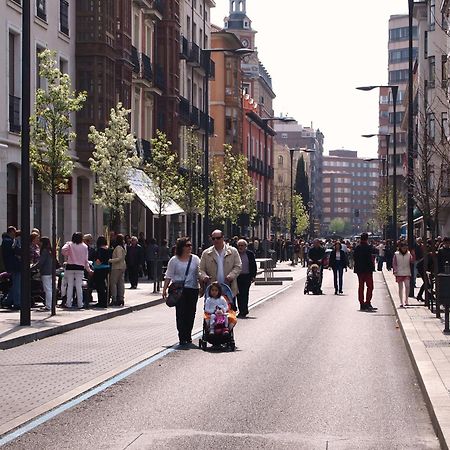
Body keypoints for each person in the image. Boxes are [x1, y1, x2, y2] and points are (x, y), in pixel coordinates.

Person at [162, 237, 200, 345]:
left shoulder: (195, 259)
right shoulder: (174, 260)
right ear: (181, 247)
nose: (190, 247)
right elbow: (168, 275)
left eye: (190, 245)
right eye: (187, 245)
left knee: (191, 313)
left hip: (192, 289)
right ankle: (182, 336)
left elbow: (200, 272)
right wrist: (164, 289)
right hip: (178, 290)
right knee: (181, 313)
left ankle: (188, 334)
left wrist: (202, 284)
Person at [199, 230, 242, 298]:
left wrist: (231, 275)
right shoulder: (206, 253)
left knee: (228, 308)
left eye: (218, 238)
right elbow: (200, 269)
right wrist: (204, 276)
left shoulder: (233, 251)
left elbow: (238, 266)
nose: (216, 240)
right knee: (210, 308)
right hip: (212, 291)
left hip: (228, 289)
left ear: (223, 238)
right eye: (213, 238)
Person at [61, 232, 91, 309]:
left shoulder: (70, 244)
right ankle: (80, 304)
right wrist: (88, 269)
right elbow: (85, 260)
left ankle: (68, 303)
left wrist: (68, 251)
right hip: (80, 267)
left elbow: (63, 251)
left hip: (70, 266)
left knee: (70, 285)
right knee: (79, 286)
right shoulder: (84, 246)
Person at [353, 233, 378, 311]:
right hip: (368, 270)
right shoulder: (369, 247)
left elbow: (354, 258)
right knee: (370, 287)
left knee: (361, 287)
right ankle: (367, 302)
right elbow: (373, 256)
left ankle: (361, 303)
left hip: (359, 270)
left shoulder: (357, 248)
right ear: (367, 239)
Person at [236, 239, 257, 318]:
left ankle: (244, 310)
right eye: (239, 246)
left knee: (245, 293)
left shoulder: (250, 254)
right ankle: (241, 310)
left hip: (246, 276)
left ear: (246, 246)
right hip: (237, 276)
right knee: (238, 294)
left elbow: (253, 265)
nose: (240, 247)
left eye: (242, 245)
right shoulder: (236, 254)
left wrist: (253, 276)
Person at [1, 226, 21, 309]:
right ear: (11, 232)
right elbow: (15, 250)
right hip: (15, 265)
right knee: (17, 284)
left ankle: (8, 301)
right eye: (14, 232)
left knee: (16, 284)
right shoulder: (9, 241)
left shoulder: (6, 241)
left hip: (12, 265)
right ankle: (17, 303)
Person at [393, 241, 414, 308]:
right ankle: (401, 301)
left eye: (405, 247)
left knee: (407, 286)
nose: (404, 248)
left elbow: (412, 261)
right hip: (399, 272)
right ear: (400, 247)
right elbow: (394, 263)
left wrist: (413, 255)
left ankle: (406, 300)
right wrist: (395, 270)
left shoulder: (409, 254)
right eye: (403, 247)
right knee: (400, 288)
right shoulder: (396, 254)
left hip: (407, 272)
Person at [109, 234, 127, 306]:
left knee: (113, 283)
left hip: (116, 267)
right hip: (122, 266)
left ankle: (114, 298)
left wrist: (110, 260)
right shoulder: (123, 247)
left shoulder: (118, 248)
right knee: (120, 283)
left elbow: (119, 258)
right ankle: (121, 298)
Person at [38, 237, 53, 311]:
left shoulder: (44, 251)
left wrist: (33, 267)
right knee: (49, 288)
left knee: (47, 289)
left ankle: (48, 306)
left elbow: (41, 262)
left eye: (40, 242)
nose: (39, 243)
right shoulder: (50, 251)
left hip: (45, 272)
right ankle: (51, 305)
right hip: (50, 271)